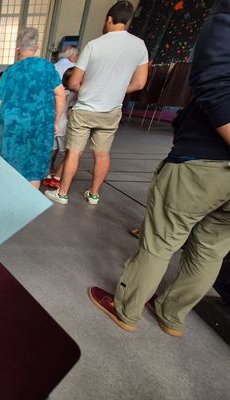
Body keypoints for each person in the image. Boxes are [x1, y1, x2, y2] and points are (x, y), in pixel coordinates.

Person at [89, 1, 230, 337]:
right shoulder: (138, 47)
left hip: (204, 159)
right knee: (212, 249)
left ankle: (127, 309)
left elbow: (213, 82)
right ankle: (171, 314)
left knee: (161, 240)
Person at [45, 1, 148, 205]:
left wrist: (91, 89)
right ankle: (94, 194)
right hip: (112, 110)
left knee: (74, 152)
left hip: (85, 108)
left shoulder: (94, 45)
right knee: (102, 154)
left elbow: (74, 82)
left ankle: (62, 193)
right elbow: (139, 83)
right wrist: (115, 90)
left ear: (109, 19)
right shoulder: (139, 46)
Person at [0, 27, 65, 189]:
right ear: (37, 47)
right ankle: (30, 208)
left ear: (17, 49)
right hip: (40, 126)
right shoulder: (47, 68)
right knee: (34, 171)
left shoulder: (10, 72)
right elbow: (61, 95)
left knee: (11, 168)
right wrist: (56, 121)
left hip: (13, 129)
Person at [43, 67, 76, 189]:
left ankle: (46, 176)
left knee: (49, 152)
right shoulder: (75, 94)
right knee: (70, 154)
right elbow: (70, 113)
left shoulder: (56, 91)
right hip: (65, 127)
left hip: (52, 126)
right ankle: (57, 178)